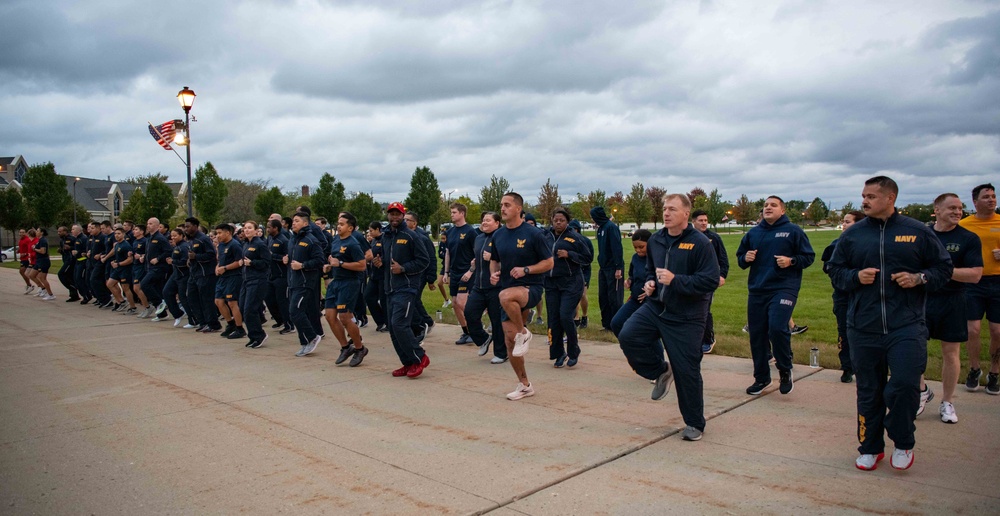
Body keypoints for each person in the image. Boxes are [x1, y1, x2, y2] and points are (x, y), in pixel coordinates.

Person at [828, 176, 953, 471]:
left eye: (871, 196)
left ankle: (903, 441)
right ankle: (870, 447)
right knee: (869, 389)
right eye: (863, 195)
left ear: (890, 198)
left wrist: (919, 278)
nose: (864, 201)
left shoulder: (916, 231)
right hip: (863, 326)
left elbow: (943, 268)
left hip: (906, 325)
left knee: (904, 385)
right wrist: (855, 277)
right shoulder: (854, 235)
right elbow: (834, 269)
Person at [618, 193, 720, 441]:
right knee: (628, 335)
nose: (666, 213)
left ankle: (695, 423)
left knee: (687, 370)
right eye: (665, 208)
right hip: (657, 307)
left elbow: (710, 280)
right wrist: (652, 281)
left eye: (672, 209)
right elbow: (652, 269)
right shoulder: (656, 240)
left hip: (688, 314)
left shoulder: (700, 243)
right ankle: (661, 370)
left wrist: (677, 281)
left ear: (686, 214)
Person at [736, 196, 815, 396]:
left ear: (783, 210)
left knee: (777, 328)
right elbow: (740, 258)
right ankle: (761, 378)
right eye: (765, 205)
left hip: (784, 287)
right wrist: (745, 258)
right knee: (757, 334)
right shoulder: (753, 233)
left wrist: (791, 261)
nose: (768, 208)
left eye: (773, 205)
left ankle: (785, 368)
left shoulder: (793, 231)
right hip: (757, 289)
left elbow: (808, 256)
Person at [915, 193, 983, 422]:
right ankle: (921, 392)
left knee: (951, 353)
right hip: (922, 300)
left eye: (960, 208)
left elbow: (975, 274)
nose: (957, 212)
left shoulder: (969, 238)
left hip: (954, 300)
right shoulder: (923, 235)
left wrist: (941, 272)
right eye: (952, 208)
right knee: (915, 349)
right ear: (937, 209)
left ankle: (948, 402)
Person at [489, 192, 554, 400]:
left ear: (518, 208)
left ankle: (523, 332)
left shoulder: (533, 234)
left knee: (505, 296)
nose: (503, 208)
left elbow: (549, 262)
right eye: (501, 205)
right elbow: (494, 260)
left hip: (531, 288)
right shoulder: (498, 235)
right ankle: (525, 385)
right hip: (508, 291)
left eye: (507, 205)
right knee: (510, 343)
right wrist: (494, 273)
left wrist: (526, 270)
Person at [378, 202, 431, 377]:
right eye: (391, 214)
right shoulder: (386, 236)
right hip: (390, 288)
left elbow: (423, 261)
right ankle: (407, 363)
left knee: (400, 324)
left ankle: (420, 358)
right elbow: (386, 261)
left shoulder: (411, 236)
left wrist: (404, 269)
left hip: (407, 287)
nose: (394, 217)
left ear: (403, 215)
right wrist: (379, 263)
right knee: (393, 328)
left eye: (397, 214)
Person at [960, 183, 1000, 394]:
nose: (992, 200)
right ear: (975, 202)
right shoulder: (965, 225)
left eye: (993, 196)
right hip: (973, 283)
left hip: (998, 282)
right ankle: (974, 369)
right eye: (986, 197)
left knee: (997, 331)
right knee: (972, 330)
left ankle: (994, 372)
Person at [821, 210, 866, 383]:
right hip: (842, 295)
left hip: (864, 296)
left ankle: (864, 366)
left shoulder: (869, 244)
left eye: (848, 222)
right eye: (844, 221)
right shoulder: (836, 244)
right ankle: (847, 367)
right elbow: (827, 267)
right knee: (844, 331)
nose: (844, 224)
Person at [545, 208, 592, 367]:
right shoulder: (545, 236)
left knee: (565, 315)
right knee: (554, 319)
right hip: (551, 283)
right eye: (556, 220)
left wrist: (569, 254)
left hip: (571, 282)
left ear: (567, 222)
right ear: (552, 220)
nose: (558, 223)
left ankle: (573, 350)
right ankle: (558, 353)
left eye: (562, 220)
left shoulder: (575, 238)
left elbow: (587, 258)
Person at [462, 211, 508, 364]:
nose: (484, 223)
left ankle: (501, 353)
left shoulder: (502, 238)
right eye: (483, 220)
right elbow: (477, 258)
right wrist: (473, 266)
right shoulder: (479, 238)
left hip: (496, 286)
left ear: (497, 223)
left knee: (496, 321)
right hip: (478, 285)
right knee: (469, 313)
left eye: (488, 220)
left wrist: (494, 259)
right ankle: (483, 339)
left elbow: (510, 262)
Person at [327, 213, 369, 367]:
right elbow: (335, 259)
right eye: (338, 223)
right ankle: (345, 347)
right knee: (330, 317)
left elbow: (362, 265)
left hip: (349, 282)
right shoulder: (336, 240)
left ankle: (360, 348)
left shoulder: (353, 243)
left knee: (345, 317)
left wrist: (341, 263)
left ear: (350, 228)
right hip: (336, 282)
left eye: (342, 224)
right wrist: (330, 264)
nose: (338, 226)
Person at [690, 211, 729, 354]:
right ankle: (694, 339)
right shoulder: (687, 237)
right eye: (700, 220)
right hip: (690, 279)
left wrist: (722, 275)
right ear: (693, 221)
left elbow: (723, 259)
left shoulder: (714, 238)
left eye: (705, 220)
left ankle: (708, 340)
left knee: (704, 308)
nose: (704, 223)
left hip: (708, 280)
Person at [287, 212, 325, 357]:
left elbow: (320, 261)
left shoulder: (311, 240)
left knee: (296, 311)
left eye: (296, 221)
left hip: (305, 282)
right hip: (293, 282)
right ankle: (304, 343)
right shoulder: (293, 240)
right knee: (294, 313)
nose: (293, 223)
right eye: (293, 221)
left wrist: (303, 265)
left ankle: (312, 337)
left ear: (305, 223)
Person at [443, 202, 478, 345]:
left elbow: (477, 255)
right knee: (455, 304)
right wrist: (446, 272)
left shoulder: (470, 232)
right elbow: (447, 253)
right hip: (454, 272)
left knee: (462, 302)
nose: (451, 215)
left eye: (454, 212)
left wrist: (471, 271)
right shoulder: (450, 232)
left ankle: (477, 330)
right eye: (451, 212)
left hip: (466, 272)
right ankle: (466, 332)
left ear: (462, 213)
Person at [610, 229, 651, 337]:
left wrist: (650, 292)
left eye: (641, 247)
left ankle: (652, 352)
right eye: (635, 247)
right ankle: (632, 347)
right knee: (616, 323)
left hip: (650, 302)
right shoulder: (635, 258)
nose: (638, 250)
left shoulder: (657, 258)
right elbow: (632, 274)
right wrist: (629, 281)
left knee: (644, 329)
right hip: (635, 299)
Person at [185, 217, 222, 333]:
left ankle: (213, 324)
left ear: (195, 226)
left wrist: (196, 257)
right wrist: (190, 260)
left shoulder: (203, 239)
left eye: (188, 226)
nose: (186, 229)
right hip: (194, 274)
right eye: (185, 226)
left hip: (205, 274)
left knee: (206, 300)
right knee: (191, 297)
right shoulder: (191, 240)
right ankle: (203, 322)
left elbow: (211, 255)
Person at [404, 211, 437, 340]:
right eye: (404, 219)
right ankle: (427, 322)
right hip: (409, 274)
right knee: (412, 299)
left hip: (421, 274)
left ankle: (423, 323)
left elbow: (431, 258)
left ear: (414, 223)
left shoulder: (422, 238)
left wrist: (430, 278)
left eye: (408, 220)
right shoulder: (404, 235)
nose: (405, 222)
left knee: (414, 298)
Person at [591, 206, 624, 331]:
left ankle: (617, 324)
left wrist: (618, 267)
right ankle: (607, 323)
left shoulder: (611, 227)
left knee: (614, 297)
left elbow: (617, 248)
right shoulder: (600, 229)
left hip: (613, 268)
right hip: (603, 267)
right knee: (603, 296)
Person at [239, 221, 271, 348]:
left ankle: (259, 335)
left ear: (256, 230)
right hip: (246, 280)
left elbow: (266, 262)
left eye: (250, 228)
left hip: (258, 280)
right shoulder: (246, 244)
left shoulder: (260, 244)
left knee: (250, 309)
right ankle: (252, 335)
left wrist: (252, 263)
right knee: (242, 308)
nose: (246, 230)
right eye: (245, 228)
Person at [214, 224, 245, 340]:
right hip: (223, 277)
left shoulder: (235, 245)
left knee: (232, 303)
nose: (218, 236)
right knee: (218, 301)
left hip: (233, 276)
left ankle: (240, 328)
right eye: (217, 233)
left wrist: (226, 268)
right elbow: (220, 260)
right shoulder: (221, 245)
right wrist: (217, 267)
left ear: (228, 233)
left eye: (220, 233)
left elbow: (239, 262)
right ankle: (230, 324)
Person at [264, 219, 293, 335]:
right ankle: (279, 320)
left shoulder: (283, 240)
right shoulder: (270, 239)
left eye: (269, 227)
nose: (267, 229)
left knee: (282, 301)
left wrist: (273, 256)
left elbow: (287, 258)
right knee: (269, 299)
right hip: (271, 274)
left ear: (276, 228)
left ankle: (289, 324)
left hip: (282, 275)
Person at [141, 218, 171, 318]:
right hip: (150, 267)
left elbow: (168, 251)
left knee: (144, 284)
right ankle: (162, 314)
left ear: (157, 226)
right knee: (157, 289)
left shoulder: (160, 238)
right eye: (147, 223)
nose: (148, 225)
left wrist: (158, 259)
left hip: (159, 268)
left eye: (151, 224)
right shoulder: (149, 237)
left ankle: (159, 303)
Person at [163, 228, 193, 327]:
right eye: (172, 236)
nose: (173, 237)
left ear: (181, 235)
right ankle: (177, 314)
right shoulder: (176, 246)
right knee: (166, 292)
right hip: (175, 274)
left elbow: (185, 262)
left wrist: (173, 261)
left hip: (184, 275)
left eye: (175, 235)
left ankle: (192, 320)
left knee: (183, 298)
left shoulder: (184, 247)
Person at [568, 219, 594, 328]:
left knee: (582, 294)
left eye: (574, 229)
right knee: (574, 295)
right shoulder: (568, 240)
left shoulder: (585, 241)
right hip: (572, 271)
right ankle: (576, 318)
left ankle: (584, 316)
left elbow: (589, 257)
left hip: (584, 270)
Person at [365, 221, 387, 332]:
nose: (370, 233)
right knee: (368, 296)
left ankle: (388, 323)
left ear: (378, 229)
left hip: (383, 275)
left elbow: (388, 254)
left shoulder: (385, 239)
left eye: (371, 231)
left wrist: (381, 260)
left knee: (383, 300)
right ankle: (380, 321)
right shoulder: (373, 241)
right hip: (373, 275)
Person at [108, 227, 135, 313]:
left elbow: (130, 260)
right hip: (117, 269)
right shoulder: (116, 244)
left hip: (125, 269)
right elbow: (118, 256)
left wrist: (119, 264)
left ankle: (132, 307)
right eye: (115, 234)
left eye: (119, 233)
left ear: (123, 234)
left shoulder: (126, 245)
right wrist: (114, 261)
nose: (116, 235)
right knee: (109, 284)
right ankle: (122, 301)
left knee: (125, 288)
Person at [130, 224, 152, 316]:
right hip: (135, 266)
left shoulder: (145, 241)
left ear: (142, 232)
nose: (134, 231)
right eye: (134, 229)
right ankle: (146, 307)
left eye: (136, 229)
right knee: (136, 288)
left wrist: (142, 256)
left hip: (141, 267)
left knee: (137, 288)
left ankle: (148, 307)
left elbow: (148, 253)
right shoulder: (135, 241)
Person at [56, 226, 80, 302]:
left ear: (65, 231)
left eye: (60, 231)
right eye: (58, 232)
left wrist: (70, 247)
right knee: (69, 277)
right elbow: (64, 250)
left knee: (61, 274)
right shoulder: (62, 240)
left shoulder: (72, 239)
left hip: (71, 261)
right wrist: (61, 250)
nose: (58, 233)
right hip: (65, 259)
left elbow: (77, 248)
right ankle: (74, 295)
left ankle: (73, 287)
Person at [31, 229, 55, 300]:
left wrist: (34, 248)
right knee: (31, 275)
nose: (36, 232)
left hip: (43, 261)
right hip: (39, 261)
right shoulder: (39, 240)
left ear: (42, 233)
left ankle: (51, 295)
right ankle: (42, 288)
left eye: (37, 231)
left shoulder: (43, 240)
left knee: (42, 278)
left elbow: (43, 251)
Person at [71, 224, 91, 304]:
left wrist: (78, 252)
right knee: (76, 279)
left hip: (83, 261)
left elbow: (86, 250)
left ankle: (86, 295)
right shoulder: (76, 239)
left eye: (73, 229)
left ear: (78, 230)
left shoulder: (84, 238)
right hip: (78, 261)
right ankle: (85, 294)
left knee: (80, 279)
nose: (72, 231)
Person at [436, 232, 452, 309]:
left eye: (444, 238)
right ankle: (446, 300)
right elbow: (440, 254)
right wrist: (444, 255)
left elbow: (449, 255)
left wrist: (445, 254)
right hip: (444, 266)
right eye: (441, 238)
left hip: (452, 266)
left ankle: (455, 302)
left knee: (450, 284)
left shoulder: (451, 243)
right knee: (439, 283)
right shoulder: (442, 244)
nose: (442, 240)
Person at [17, 229, 34, 294]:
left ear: (26, 233)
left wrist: (25, 253)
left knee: (22, 271)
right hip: (22, 259)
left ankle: (30, 285)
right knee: (23, 272)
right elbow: (21, 247)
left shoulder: (27, 240)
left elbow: (30, 248)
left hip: (26, 258)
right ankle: (29, 285)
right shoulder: (21, 240)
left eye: (23, 232)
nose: (22, 234)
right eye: (20, 232)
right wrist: (19, 250)